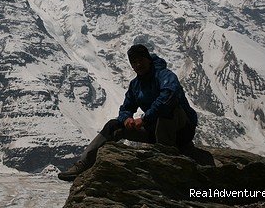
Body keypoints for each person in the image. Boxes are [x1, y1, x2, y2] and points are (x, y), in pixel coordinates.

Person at [58, 44, 198, 181]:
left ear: (148, 59)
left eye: (140, 60)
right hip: (154, 131)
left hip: (181, 130)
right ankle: (84, 164)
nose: (138, 65)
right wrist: (126, 119)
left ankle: (166, 156)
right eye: (134, 62)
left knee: (168, 108)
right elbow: (126, 108)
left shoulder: (165, 75)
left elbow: (168, 96)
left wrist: (145, 119)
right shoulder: (136, 85)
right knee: (113, 126)